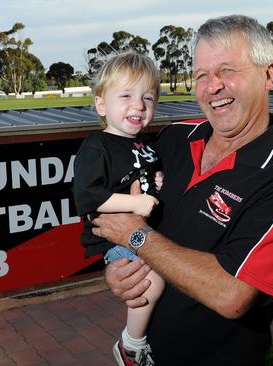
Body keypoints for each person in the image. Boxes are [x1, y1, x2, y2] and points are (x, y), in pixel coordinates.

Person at [91, 15, 273, 365]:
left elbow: (232, 295)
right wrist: (117, 270)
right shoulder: (174, 137)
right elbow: (120, 217)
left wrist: (136, 237)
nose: (212, 86)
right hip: (148, 352)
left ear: (268, 75)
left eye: (227, 71)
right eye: (201, 75)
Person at [72, 51, 165, 366]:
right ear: (101, 105)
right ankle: (131, 344)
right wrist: (136, 202)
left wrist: (157, 181)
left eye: (147, 98)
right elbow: (88, 196)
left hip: (143, 231)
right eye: (125, 95)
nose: (138, 105)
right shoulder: (96, 145)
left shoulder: (145, 145)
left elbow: (146, 177)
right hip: (115, 239)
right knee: (153, 278)